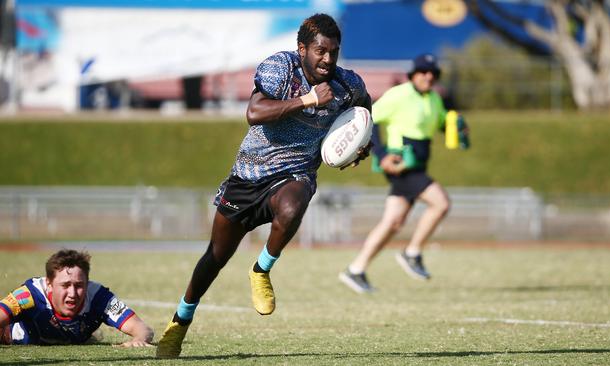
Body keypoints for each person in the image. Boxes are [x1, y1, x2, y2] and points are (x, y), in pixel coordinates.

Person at [156, 13, 371, 359]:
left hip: (295, 173)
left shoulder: (347, 84)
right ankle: (180, 321)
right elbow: (255, 111)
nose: (328, 60)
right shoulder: (280, 68)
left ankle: (262, 269)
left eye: (334, 52)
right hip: (248, 177)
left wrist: (363, 141)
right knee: (215, 257)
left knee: (294, 204)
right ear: (302, 49)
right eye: (320, 51)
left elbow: (363, 107)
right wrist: (308, 100)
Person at [339, 54, 467, 294]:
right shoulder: (400, 94)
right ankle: (412, 253)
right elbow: (371, 119)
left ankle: (355, 270)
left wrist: (456, 128)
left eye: (432, 73)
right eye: (422, 72)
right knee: (441, 203)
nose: (428, 76)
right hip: (400, 165)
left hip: (418, 165)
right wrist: (381, 154)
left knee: (393, 222)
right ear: (413, 74)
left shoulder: (434, 99)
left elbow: (440, 123)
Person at [0, 249, 153, 346]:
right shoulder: (30, 294)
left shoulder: (98, 297)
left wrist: (139, 340)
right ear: (49, 284)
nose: (73, 293)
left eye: (79, 285)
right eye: (65, 285)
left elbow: (143, 329)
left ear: (87, 282)